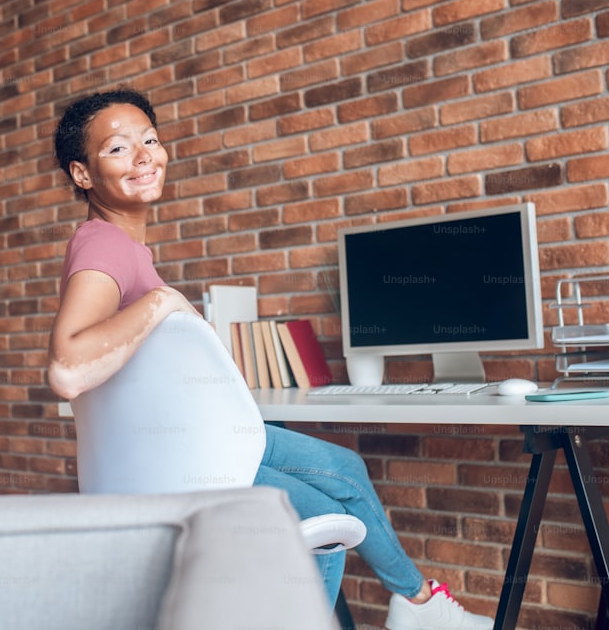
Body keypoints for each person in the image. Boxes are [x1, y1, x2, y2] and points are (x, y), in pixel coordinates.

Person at [47, 87, 494, 630]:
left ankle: (418, 606)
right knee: (328, 522)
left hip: (187, 444)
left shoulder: (119, 245)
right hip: (189, 461)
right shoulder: (105, 245)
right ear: (83, 174)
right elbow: (68, 368)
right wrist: (165, 302)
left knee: (346, 470)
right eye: (118, 149)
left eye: (151, 140)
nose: (144, 156)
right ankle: (416, 609)